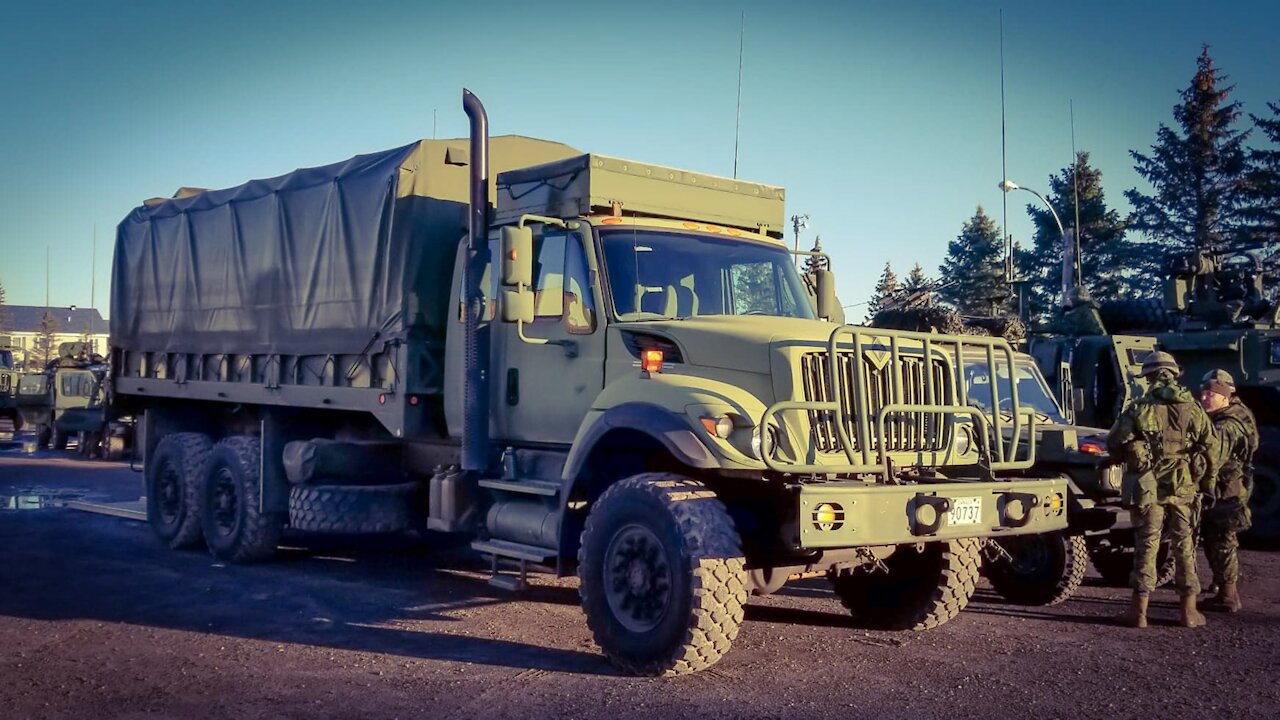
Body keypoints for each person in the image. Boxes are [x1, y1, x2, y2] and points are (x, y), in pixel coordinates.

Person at [1106, 350, 1218, 628]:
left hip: (1147, 486)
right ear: (1174, 374)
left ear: (1149, 377)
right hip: (1184, 485)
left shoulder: (1139, 408)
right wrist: (1209, 484)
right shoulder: (1193, 408)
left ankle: (1139, 612)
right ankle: (1188, 612)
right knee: (1185, 546)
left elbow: (1114, 443)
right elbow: (1211, 447)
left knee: (1147, 545)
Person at [1197, 369, 1258, 613]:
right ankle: (1220, 584)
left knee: (1221, 539)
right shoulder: (1237, 413)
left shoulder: (1229, 424)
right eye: (1202, 393)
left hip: (1226, 490)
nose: (1203, 398)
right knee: (1218, 538)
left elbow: (1213, 455)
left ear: (1224, 396)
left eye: (1210, 394)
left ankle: (1228, 596)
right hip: (1231, 485)